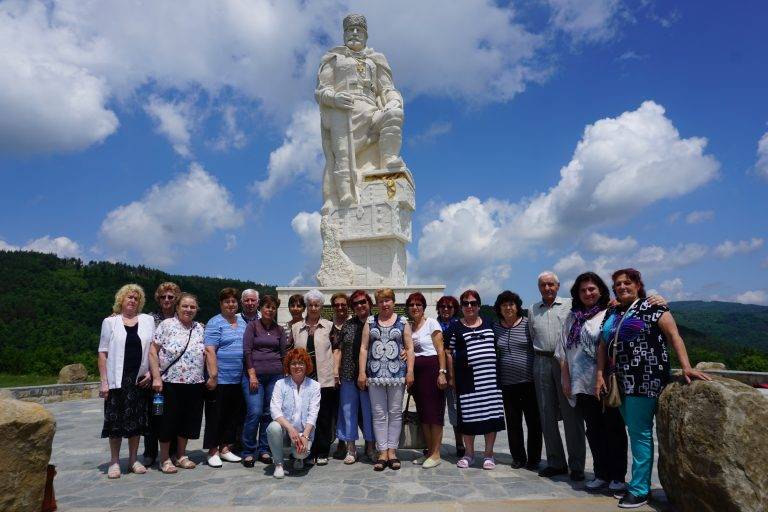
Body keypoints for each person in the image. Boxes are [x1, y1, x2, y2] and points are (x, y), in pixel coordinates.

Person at [596, 268, 711, 509]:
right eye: (618, 284)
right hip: (619, 380)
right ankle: (639, 483)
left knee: (640, 433)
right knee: (634, 431)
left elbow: (674, 336)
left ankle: (639, 490)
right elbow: (603, 345)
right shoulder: (613, 312)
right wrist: (599, 374)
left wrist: (686, 367)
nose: (622, 287)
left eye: (627, 282)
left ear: (638, 285)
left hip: (645, 378)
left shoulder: (653, 307)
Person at [316, 13, 407, 213]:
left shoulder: (376, 60)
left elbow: (387, 88)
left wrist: (394, 101)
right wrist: (334, 98)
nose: (354, 33)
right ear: (344, 34)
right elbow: (322, 91)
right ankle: (341, 196)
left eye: (359, 30)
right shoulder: (334, 59)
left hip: (372, 111)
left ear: (366, 35)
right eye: (350, 30)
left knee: (394, 115)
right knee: (341, 155)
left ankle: (388, 162)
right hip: (345, 112)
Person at [555, 273, 627, 492]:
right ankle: (601, 473)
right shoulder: (572, 318)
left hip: (605, 381)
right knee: (594, 430)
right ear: (577, 294)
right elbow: (563, 352)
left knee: (613, 428)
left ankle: (617, 476)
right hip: (581, 383)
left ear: (601, 290)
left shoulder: (611, 313)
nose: (588, 293)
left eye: (592, 289)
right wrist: (566, 379)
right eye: (583, 290)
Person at [529, 271, 586, 480]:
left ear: (558, 286)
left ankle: (577, 465)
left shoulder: (570, 305)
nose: (547, 288)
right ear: (538, 288)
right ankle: (556, 462)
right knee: (546, 414)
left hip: (566, 362)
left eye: (551, 284)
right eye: (543, 285)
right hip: (541, 361)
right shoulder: (533, 309)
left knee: (572, 414)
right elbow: (532, 335)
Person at [149, 293, 215, 474]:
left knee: (188, 420)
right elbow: (153, 351)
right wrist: (156, 377)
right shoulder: (166, 325)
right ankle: (164, 458)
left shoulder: (200, 328)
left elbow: (207, 352)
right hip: (170, 382)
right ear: (177, 308)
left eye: (192, 307)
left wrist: (212, 375)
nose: (189, 310)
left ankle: (181, 455)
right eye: (185, 306)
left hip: (194, 382)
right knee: (167, 420)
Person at [98, 284, 155, 479]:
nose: (132, 300)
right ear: (121, 299)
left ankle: (133, 459)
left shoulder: (147, 321)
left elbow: (152, 350)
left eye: (136, 298)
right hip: (117, 379)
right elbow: (103, 353)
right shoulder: (110, 322)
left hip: (139, 380)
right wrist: (104, 382)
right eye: (129, 297)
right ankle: (114, 461)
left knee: (136, 422)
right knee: (115, 422)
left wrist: (152, 373)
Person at [445, 290, 506, 470]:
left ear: (479, 305)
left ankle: (488, 454)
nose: (469, 306)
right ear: (461, 307)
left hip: (490, 379)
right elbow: (448, 352)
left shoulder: (490, 323)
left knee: (491, 416)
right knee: (468, 418)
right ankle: (469, 454)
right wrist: (451, 377)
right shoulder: (455, 327)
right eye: (465, 303)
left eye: (473, 303)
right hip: (467, 379)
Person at [358, 288, 415, 471]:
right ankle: (382, 452)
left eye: (388, 300)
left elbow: (410, 348)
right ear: (377, 303)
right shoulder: (370, 321)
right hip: (375, 375)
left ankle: (392, 451)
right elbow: (364, 348)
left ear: (393, 302)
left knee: (395, 412)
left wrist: (410, 371)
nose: (384, 304)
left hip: (397, 375)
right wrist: (362, 372)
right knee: (379, 414)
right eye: (381, 301)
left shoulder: (403, 322)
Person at [492, 291, 542, 471]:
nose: (508, 308)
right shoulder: (496, 327)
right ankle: (518, 457)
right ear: (499, 308)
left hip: (529, 381)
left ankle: (534, 458)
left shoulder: (528, 324)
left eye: (511, 304)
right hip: (507, 383)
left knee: (534, 422)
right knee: (513, 423)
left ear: (517, 306)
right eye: (504, 305)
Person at [290, 289, 340, 465]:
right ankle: (306, 450)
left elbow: (336, 349)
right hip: (302, 380)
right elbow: (290, 352)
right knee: (304, 416)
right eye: (310, 305)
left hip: (324, 378)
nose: (313, 308)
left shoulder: (329, 326)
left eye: (316, 305)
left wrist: (335, 372)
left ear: (321, 307)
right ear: (306, 306)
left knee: (324, 416)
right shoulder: (296, 328)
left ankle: (322, 450)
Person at [241, 294, 287, 467]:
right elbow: (247, 351)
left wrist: (285, 377)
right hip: (255, 377)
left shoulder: (279, 330)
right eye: (267, 306)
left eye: (273, 307)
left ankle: (264, 449)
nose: (270, 310)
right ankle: (248, 451)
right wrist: (252, 375)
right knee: (255, 412)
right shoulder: (253, 326)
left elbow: (283, 354)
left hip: (275, 376)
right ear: (261, 308)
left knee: (269, 413)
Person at [202, 288, 246, 467]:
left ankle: (225, 448)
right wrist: (213, 375)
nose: (231, 304)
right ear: (221, 304)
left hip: (237, 378)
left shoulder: (242, 322)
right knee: (216, 416)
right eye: (227, 301)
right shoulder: (215, 322)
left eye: (233, 301)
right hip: (219, 378)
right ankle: (212, 451)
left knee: (232, 415)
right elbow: (209, 349)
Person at [407, 292, 447, 468]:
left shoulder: (431, 323)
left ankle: (436, 454)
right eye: (411, 305)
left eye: (418, 304)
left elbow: (440, 349)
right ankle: (429, 452)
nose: (415, 307)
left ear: (423, 307)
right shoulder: (409, 328)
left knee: (434, 414)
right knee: (423, 414)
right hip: (417, 375)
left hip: (432, 371)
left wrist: (442, 372)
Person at [267, 348, 321, 479]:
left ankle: (298, 458)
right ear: (288, 366)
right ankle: (279, 464)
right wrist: (290, 429)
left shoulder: (314, 386)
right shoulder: (280, 384)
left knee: (301, 454)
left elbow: (313, 413)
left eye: (301, 363)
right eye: (293, 363)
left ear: (306, 365)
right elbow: (274, 410)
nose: (297, 366)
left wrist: (305, 436)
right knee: (273, 427)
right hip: (285, 431)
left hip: (303, 432)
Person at [336, 290, 376, 464]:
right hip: (348, 374)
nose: (360, 306)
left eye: (363, 302)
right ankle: (351, 448)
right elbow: (339, 349)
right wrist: (336, 371)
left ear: (369, 303)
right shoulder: (348, 325)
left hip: (371, 376)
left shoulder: (377, 323)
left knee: (369, 412)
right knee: (348, 411)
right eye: (356, 303)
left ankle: (371, 447)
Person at [144, 281, 181, 466]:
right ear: (158, 299)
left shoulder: (181, 318)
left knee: (173, 415)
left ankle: (172, 451)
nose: (167, 299)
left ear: (176, 299)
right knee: (154, 414)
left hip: (174, 377)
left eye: (171, 297)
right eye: (163, 297)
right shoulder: (149, 319)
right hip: (154, 377)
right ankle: (150, 452)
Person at [437, 295, 464, 458]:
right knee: (435, 410)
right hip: (436, 372)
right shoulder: (433, 324)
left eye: (450, 307)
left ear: (455, 309)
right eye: (443, 306)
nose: (446, 309)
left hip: (455, 372)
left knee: (455, 408)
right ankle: (433, 444)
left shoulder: (460, 325)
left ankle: (459, 442)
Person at [329, 292, 350, 460]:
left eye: (343, 304)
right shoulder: (328, 325)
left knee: (352, 410)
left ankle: (369, 444)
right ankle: (341, 442)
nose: (340, 307)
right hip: (331, 374)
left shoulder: (354, 323)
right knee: (336, 410)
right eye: (337, 305)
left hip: (351, 372)